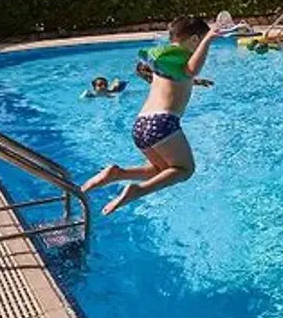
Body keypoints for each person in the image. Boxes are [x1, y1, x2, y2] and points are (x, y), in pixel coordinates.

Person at [82, 16, 219, 215]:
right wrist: (210, 39)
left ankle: (117, 174)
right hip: (163, 123)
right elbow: (191, 69)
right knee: (185, 170)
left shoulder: (166, 57)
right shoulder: (182, 55)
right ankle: (138, 190)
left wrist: (197, 82)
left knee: (162, 171)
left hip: (141, 124)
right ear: (195, 40)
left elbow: (176, 79)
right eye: (201, 42)